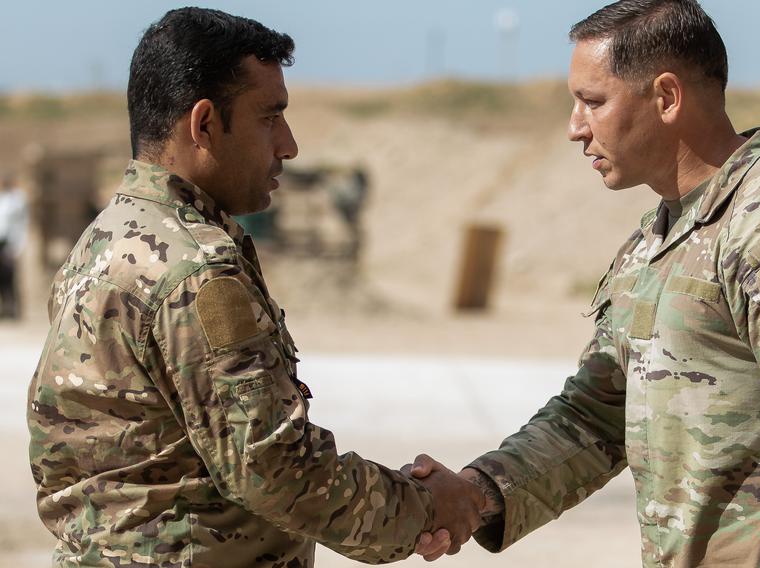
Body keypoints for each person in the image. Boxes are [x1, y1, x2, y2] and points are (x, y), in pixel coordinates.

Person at [408, 0, 760, 565]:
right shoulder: (656, 240)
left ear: (666, 97)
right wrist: (478, 494)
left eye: (592, 102)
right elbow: (595, 415)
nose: (574, 127)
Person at [26, 8, 475, 567]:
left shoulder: (106, 238)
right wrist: (428, 509)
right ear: (205, 123)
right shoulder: (193, 268)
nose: (288, 145)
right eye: (270, 118)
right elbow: (273, 469)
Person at [0, 172, 27, 319]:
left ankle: (14, 309)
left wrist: (18, 245)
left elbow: (20, 223)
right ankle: (5, 309)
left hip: (11, 242)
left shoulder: (17, 199)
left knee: (11, 277)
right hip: (1, 241)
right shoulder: (3, 199)